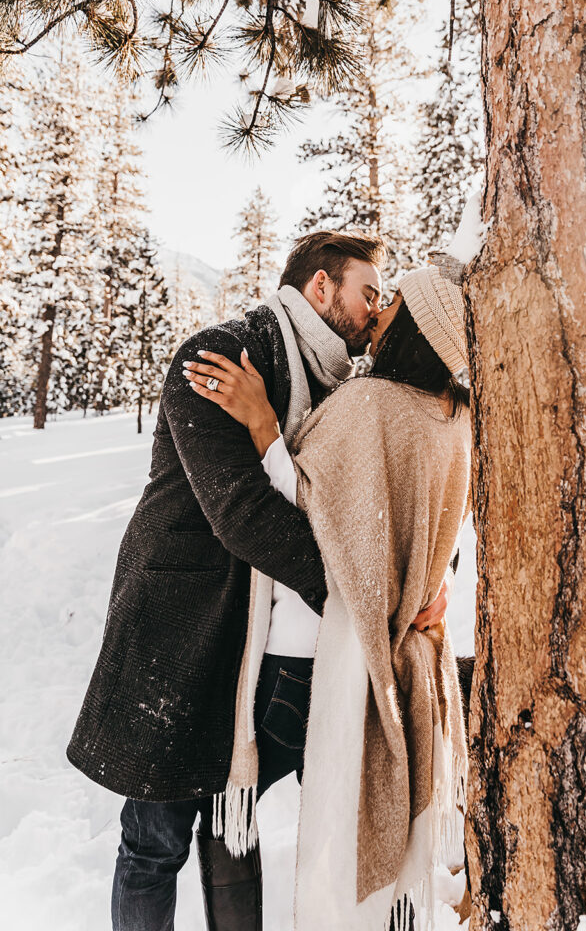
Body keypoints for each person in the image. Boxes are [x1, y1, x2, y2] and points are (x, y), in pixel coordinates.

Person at [66, 229, 446, 931]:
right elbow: (239, 512)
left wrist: (416, 580)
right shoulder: (218, 355)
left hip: (261, 643)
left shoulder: (342, 384)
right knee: (154, 840)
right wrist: (368, 600)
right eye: (367, 292)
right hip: (183, 631)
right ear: (321, 287)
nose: (374, 309)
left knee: (229, 827)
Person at [186, 261, 472, 930]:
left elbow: (313, 515)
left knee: (229, 809)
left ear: (416, 327)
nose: (377, 311)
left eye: (391, 303)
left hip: (311, 652)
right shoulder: (453, 417)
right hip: (401, 663)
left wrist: (260, 422)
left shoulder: (368, 405)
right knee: (351, 820)